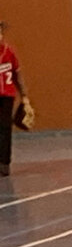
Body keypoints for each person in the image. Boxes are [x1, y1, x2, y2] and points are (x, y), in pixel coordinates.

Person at [0, 21, 33, 177]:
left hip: (6, 97)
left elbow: (17, 75)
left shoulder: (9, 52)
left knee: (5, 129)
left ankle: (4, 163)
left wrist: (25, 97)